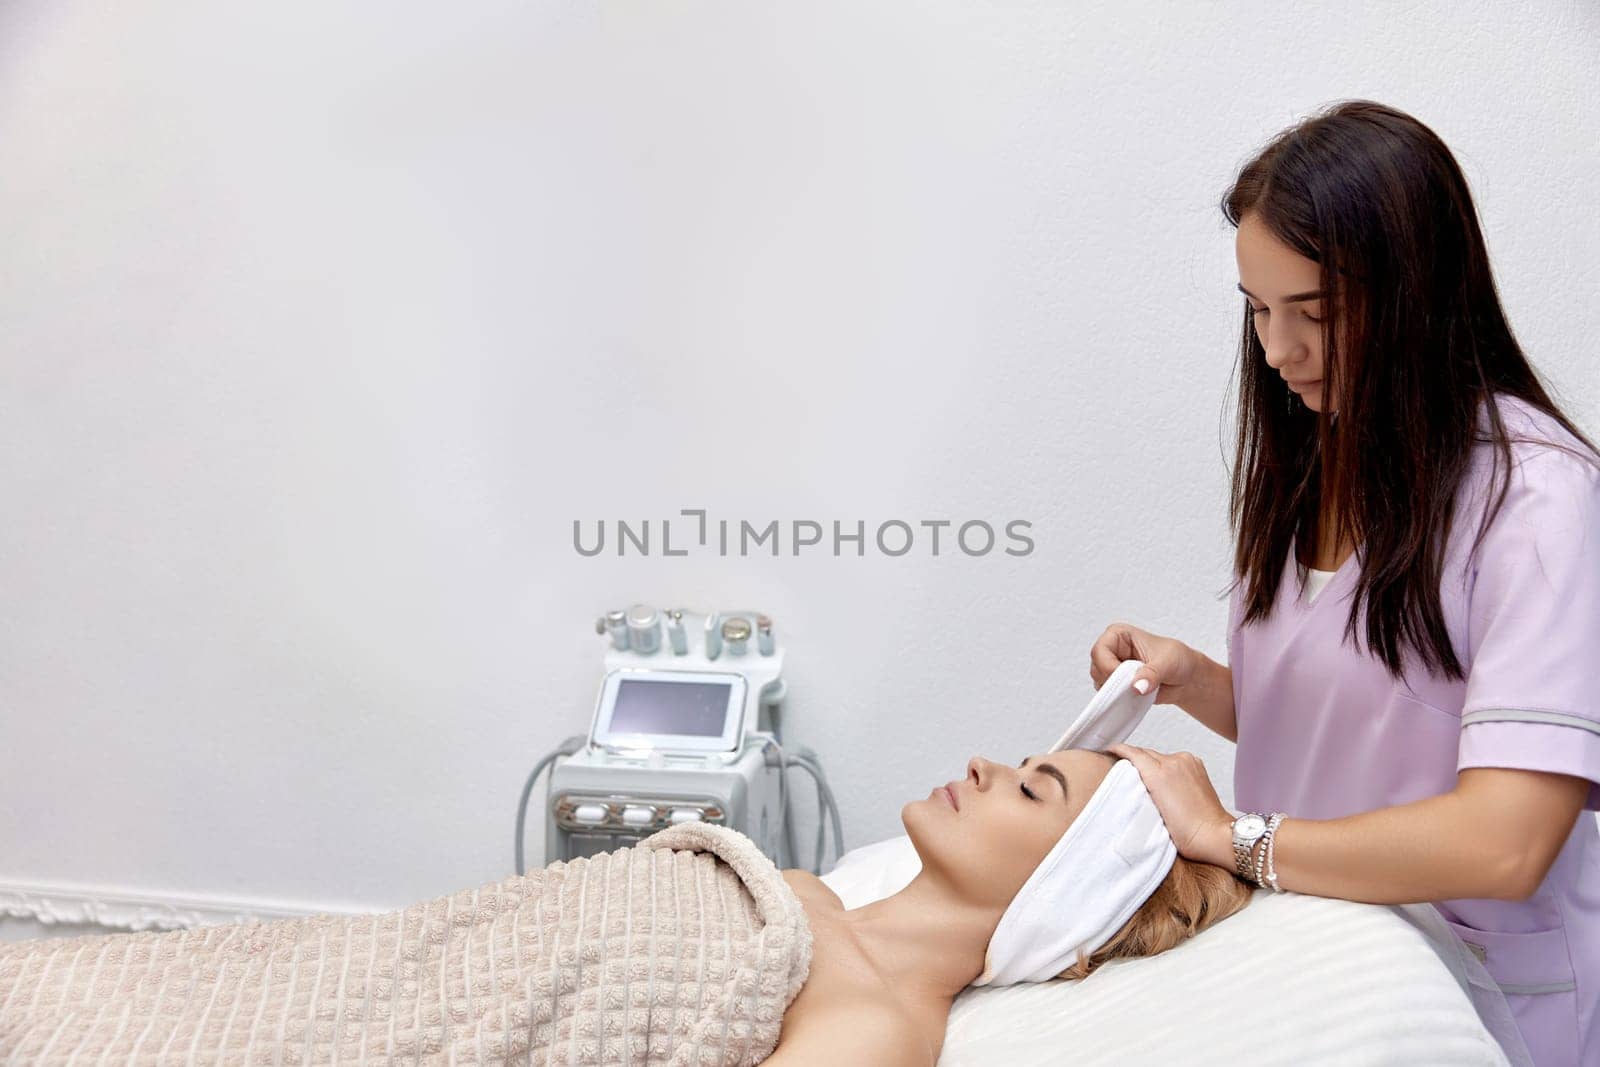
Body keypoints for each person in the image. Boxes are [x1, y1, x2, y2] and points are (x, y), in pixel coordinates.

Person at [1088, 99, 1600, 1067]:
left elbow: (1506, 839)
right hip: (1319, 968)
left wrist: (1238, 839)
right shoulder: (1320, 461)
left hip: (1476, 1002)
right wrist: (1193, 676)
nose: (1278, 353)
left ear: (1417, 294)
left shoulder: (1537, 501)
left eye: (1312, 314)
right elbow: (1366, 720)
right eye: (1257, 311)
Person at [765, 747, 1253, 1064]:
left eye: (1029, 790)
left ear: (1062, 895)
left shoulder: (872, 1033)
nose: (979, 764)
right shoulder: (800, 890)